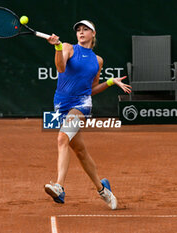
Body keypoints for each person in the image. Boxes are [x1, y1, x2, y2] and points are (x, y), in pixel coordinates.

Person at [44, 20, 132, 209]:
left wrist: (110, 82)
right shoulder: (67, 47)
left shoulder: (97, 60)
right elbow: (60, 68)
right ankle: (103, 189)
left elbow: (91, 89)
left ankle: (59, 186)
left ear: (93, 34)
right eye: (78, 30)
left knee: (62, 139)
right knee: (80, 151)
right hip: (61, 104)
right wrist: (58, 48)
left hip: (81, 104)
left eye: (85, 30)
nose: (81, 32)